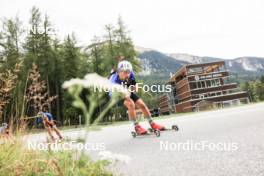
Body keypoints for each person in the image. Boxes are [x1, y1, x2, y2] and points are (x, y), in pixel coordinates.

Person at [109, 60, 165, 134]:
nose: (127, 74)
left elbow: (134, 85)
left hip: (126, 90)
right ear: (119, 71)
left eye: (128, 72)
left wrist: (135, 87)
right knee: (131, 104)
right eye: (125, 72)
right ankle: (136, 127)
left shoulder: (130, 74)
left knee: (142, 104)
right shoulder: (114, 80)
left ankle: (152, 124)